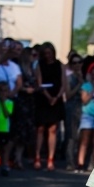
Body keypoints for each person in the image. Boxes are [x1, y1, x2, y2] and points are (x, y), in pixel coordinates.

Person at [33, 42, 66, 171]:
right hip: (43, 98)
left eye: (50, 53)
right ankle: (37, 156)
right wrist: (48, 96)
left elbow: (63, 83)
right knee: (40, 128)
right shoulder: (39, 65)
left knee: (53, 129)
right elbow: (39, 82)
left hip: (56, 98)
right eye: (45, 53)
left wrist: (57, 97)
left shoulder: (60, 65)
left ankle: (50, 158)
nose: (48, 55)